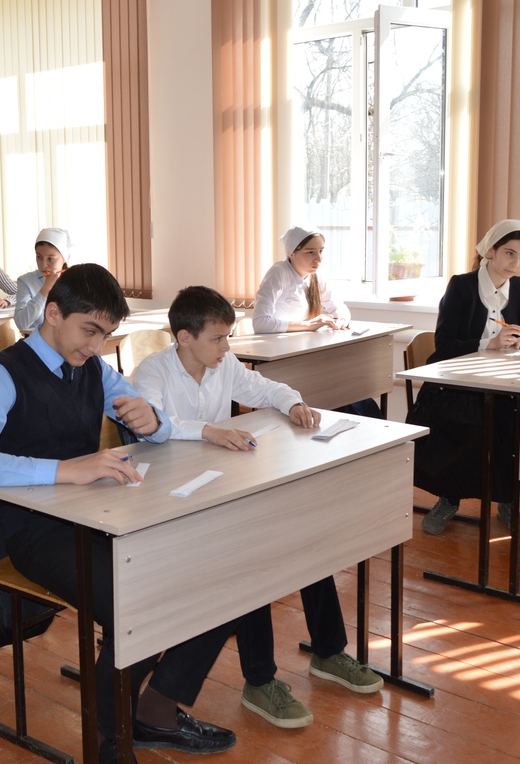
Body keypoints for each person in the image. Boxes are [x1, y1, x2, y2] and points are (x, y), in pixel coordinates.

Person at [0, 264, 237, 762]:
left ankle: (155, 709)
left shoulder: (93, 368)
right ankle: (109, 739)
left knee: (220, 578)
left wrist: (153, 421)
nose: (97, 345)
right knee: (137, 604)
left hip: (101, 516)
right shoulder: (3, 374)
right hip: (35, 529)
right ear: (53, 313)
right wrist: (68, 470)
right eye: (90, 330)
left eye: (106, 335)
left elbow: (148, 418)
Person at [135, 286, 385, 729]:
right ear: (184, 338)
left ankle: (329, 652)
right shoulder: (153, 371)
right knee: (252, 557)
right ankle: (260, 680)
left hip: (216, 486)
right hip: (170, 501)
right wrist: (209, 431)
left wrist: (293, 403)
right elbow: (154, 423)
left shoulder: (223, 364)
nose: (226, 347)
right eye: (218, 338)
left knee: (302, 539)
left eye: (228, 337)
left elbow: (266, 388)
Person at [410, 219, 520, 536]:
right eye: (509, 253)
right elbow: (445, 345)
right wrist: (490, 344)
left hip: (502, 381)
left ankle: (509, 500)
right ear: (490, 251)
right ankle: (449, 498)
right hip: (455, 382)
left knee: (513, 425)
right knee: (466, 425)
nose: (516, 263)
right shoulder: (462, 286)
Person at [255, 225, 382, 419]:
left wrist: (341, 319)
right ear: (292, 253)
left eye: (321, 251)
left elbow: (339, 306)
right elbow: (260, 322)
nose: (318, 259)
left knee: (353, 395)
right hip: (280, 357)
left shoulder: (316, 276)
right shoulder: (278, 272)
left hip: (306, 352)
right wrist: (308, 325)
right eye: (310, 252)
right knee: (337, 395)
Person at [14, 227, 70, 331]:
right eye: (39, 257)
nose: (43, 265)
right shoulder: (26, 281)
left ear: (63, 258)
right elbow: (22, 323)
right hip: (37, 339)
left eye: (50, 259)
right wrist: (45, 290)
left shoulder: (74, 280)